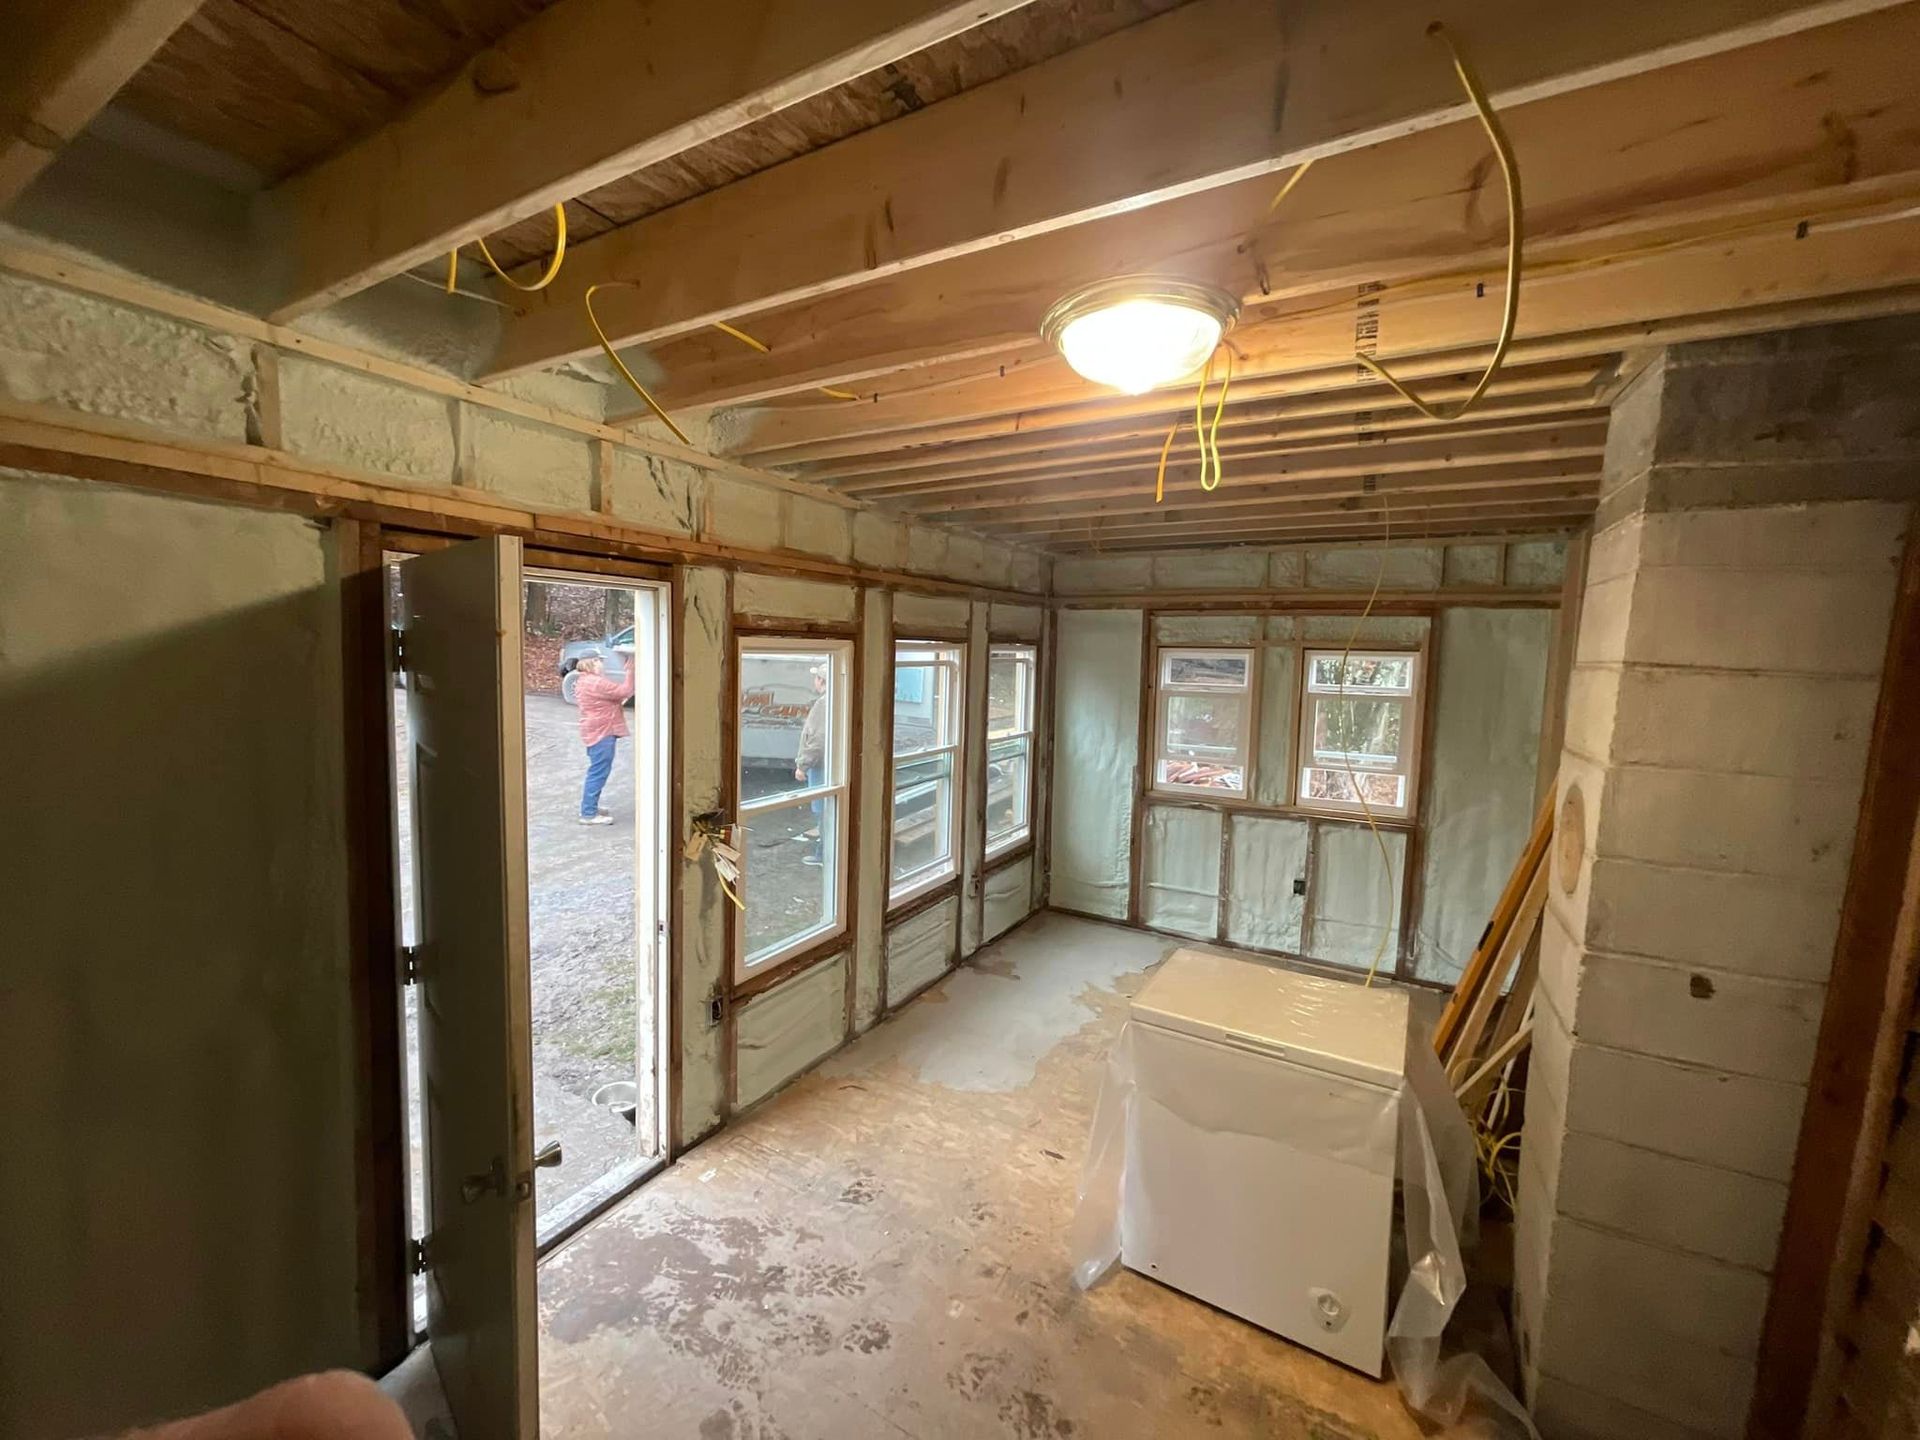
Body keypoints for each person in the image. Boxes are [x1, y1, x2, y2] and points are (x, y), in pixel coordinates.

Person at [575, 646, 636, 825]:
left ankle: (590, 806)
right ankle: (588, 814)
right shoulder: (596, 683)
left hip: (594, 731)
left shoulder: (585, 681)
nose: (602, 663)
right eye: (600, 660)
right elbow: (625, 692)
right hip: (602, 732)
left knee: (597, 770)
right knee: (598, 772)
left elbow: (615, 696)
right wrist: (630, 669)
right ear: (592, 662)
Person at [794, 661, 828, 866]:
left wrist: (802, 765)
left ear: (821, 680)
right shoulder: (838, 700)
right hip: (829, 764)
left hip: (821, 767)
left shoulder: (823, 704)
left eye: (816, 677)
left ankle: (824, 853)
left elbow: (817, 739)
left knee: (824, 810)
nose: (813, 680)